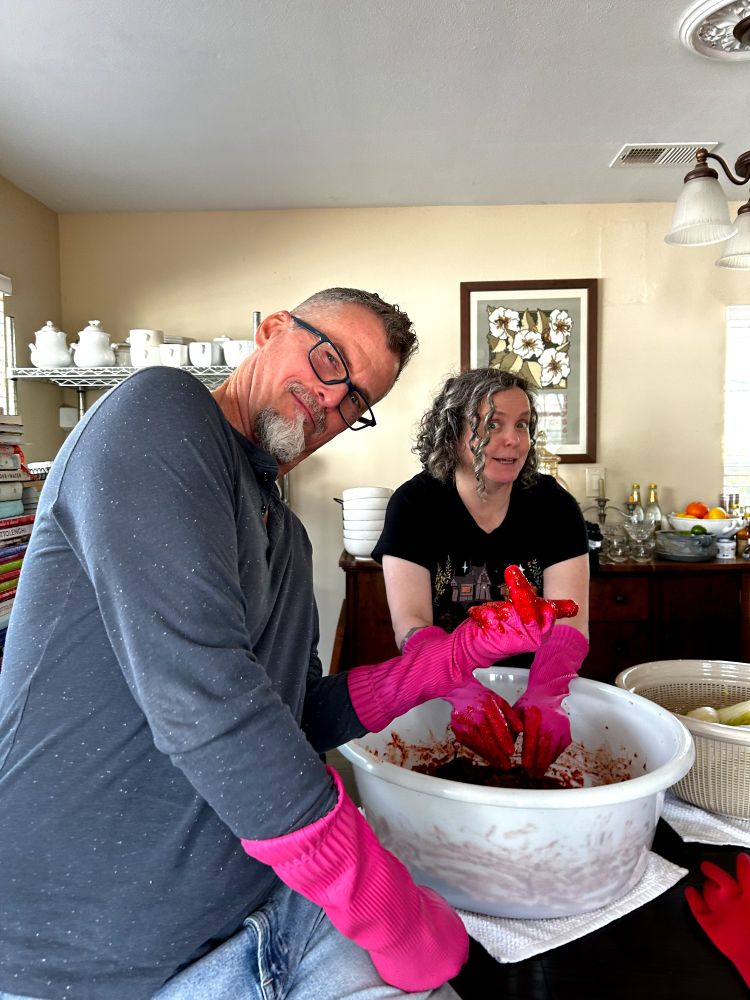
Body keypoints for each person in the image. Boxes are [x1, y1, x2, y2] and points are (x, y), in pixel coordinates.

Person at [0, 292, 575, 1000]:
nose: (332, 398)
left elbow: (293, 718)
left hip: (266, 907)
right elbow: (209, 707)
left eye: (357, 398)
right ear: (271, 329)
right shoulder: (161, 414)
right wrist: (387, 910)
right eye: (329, 358)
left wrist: (444, 662)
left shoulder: (287, 536)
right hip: (94, 960)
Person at [372, 366, 591, 776]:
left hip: (534, 686)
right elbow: (411, 622)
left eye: (522, 425)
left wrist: (547, 690)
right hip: (441, 690)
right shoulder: (414, 506)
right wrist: (455, 686)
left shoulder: (554, 507)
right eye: (492, 424)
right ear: (452, 432)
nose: (513, 439)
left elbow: (572, 620)